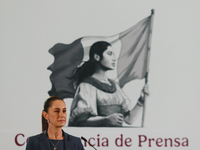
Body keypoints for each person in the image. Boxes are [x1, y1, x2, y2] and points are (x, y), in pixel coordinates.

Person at [68, 41, 149, 127]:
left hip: (115, 138)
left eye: (113, 55)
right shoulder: (86, 86)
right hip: (97, 138)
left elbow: (129, 120)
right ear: (97, 57)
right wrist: (105, 120)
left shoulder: (115, 87)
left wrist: (141, 101)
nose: (114, 58)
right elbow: (81, 121)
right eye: (109, 54)